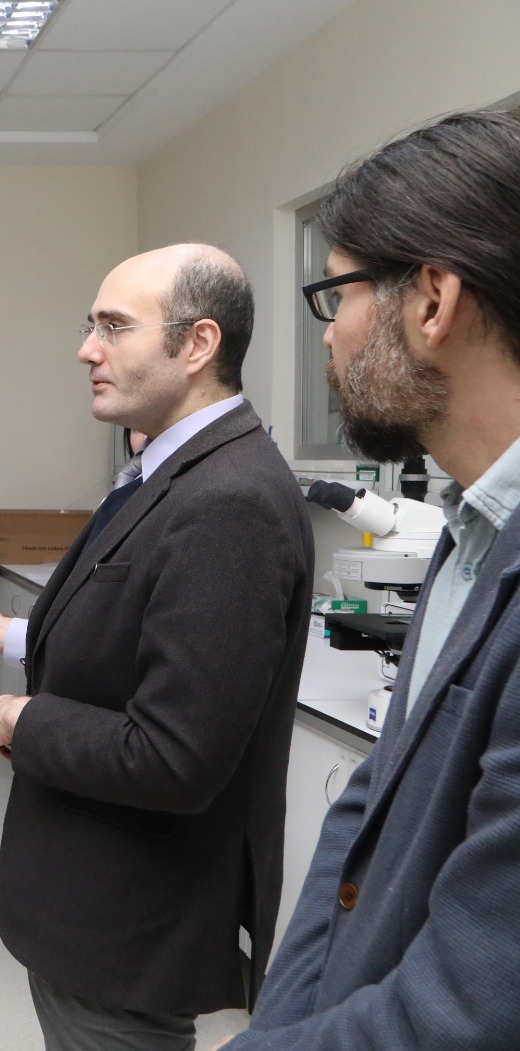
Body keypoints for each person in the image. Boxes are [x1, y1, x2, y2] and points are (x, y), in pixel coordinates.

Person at [0, 244, 313, 1050]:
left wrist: (20, 718)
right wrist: (9, 634)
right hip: (94, 906)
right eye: (90, 325)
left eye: (113, 326)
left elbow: (171, 755)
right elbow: (131, 635)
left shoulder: (229, 501)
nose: (86, 349)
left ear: (198, 343)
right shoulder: (168, 472)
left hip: (128, 929)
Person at [223, 109, 520, 1049]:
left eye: (335, 295)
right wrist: (279, 1026)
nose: (327, 338)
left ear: (432, 300)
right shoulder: (469, 531)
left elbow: (474, 1004)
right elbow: (369, 812)